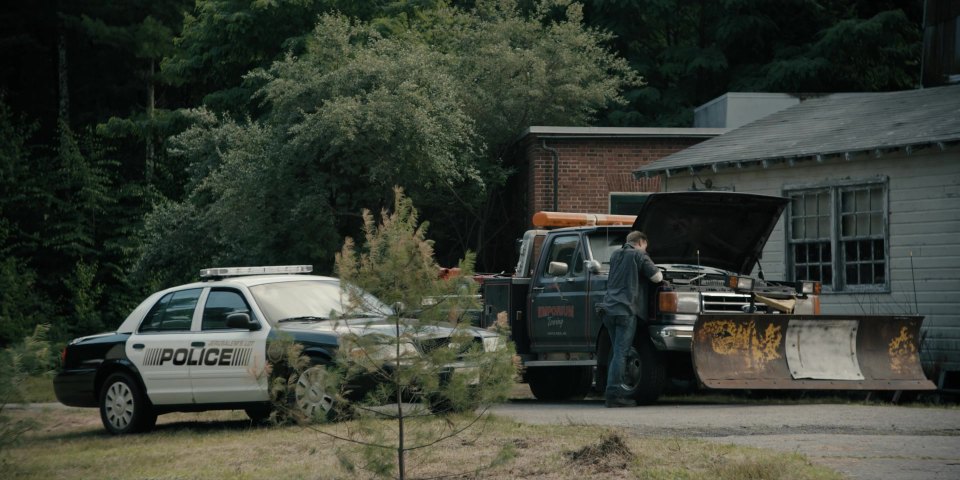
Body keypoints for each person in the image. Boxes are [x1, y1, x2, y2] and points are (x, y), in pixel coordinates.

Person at [599, 231, 663, 408]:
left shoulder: (615, 255)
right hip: (626, 310)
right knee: (621, 353)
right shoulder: (639, 254)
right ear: (641, 242)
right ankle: (613, 396)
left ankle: (610, 390)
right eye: (645, 247)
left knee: (616, 353)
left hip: (608, 310)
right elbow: (657, 277)